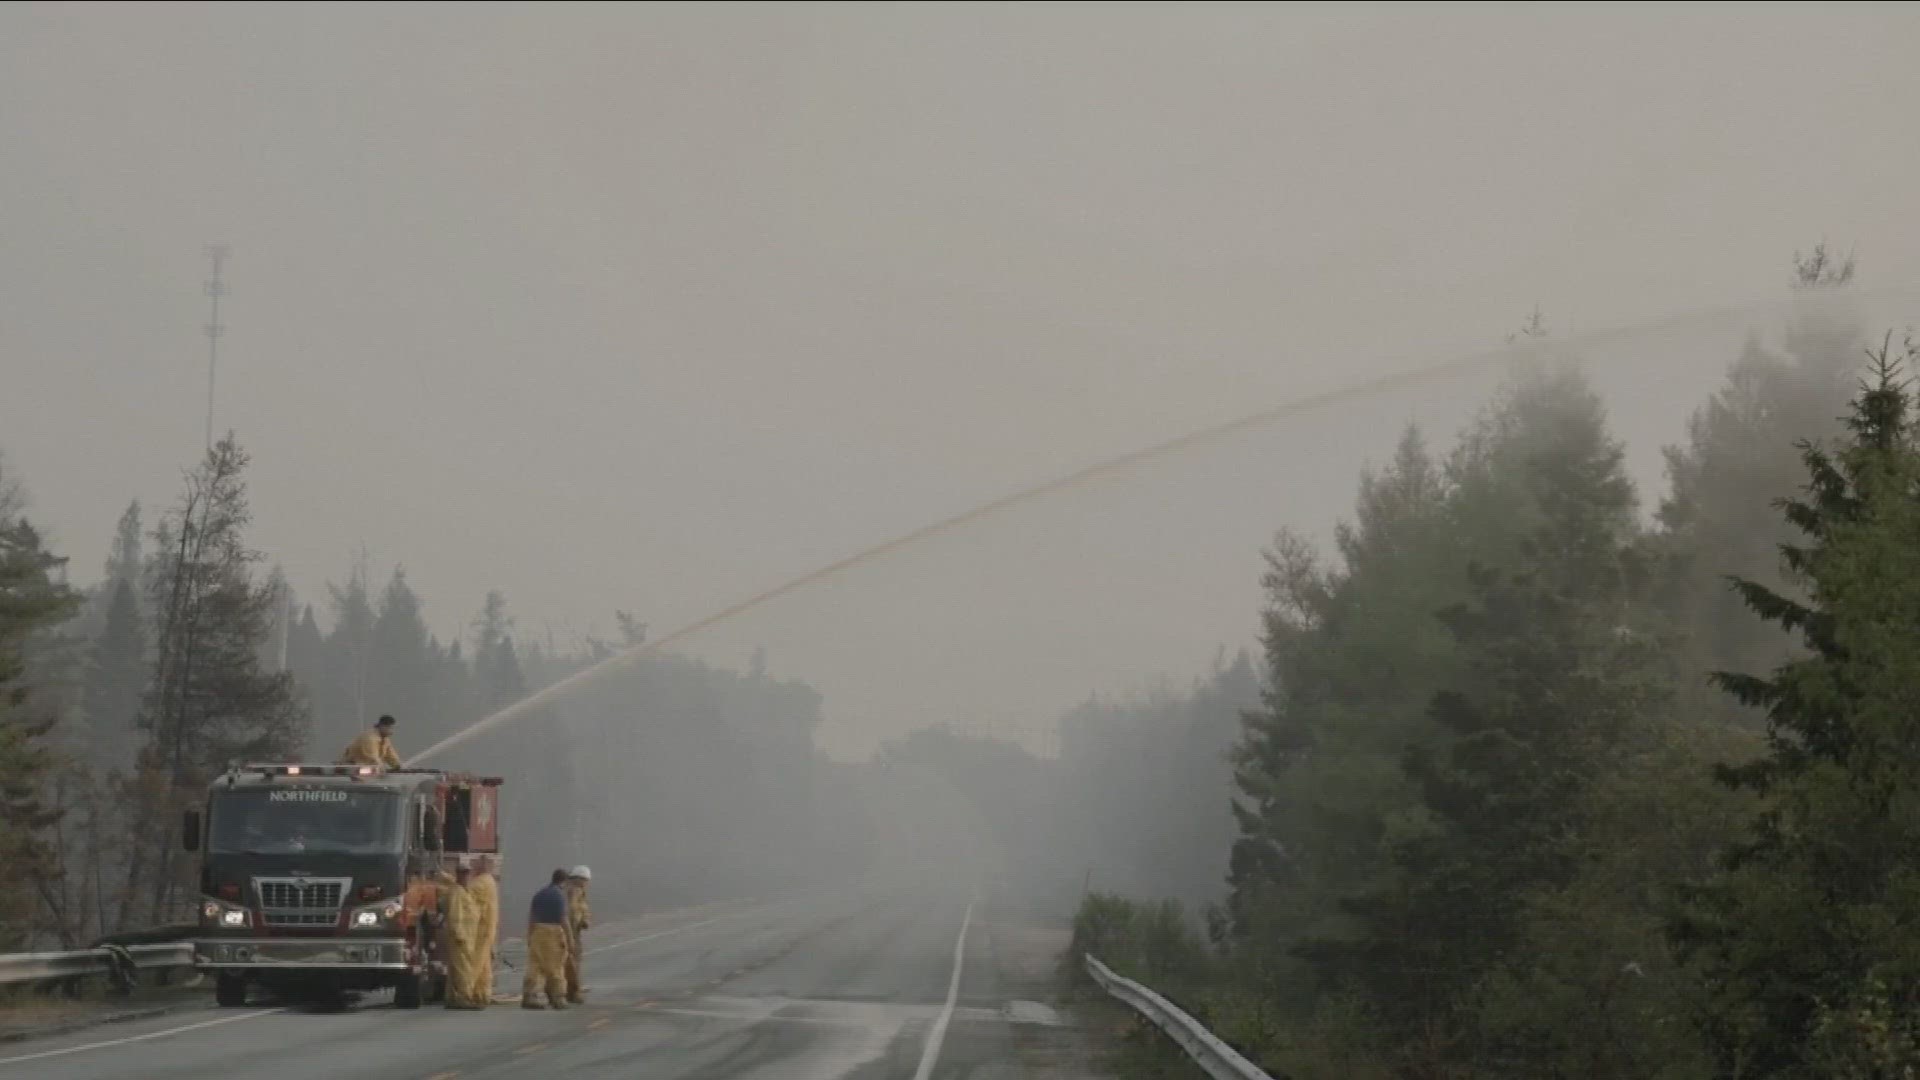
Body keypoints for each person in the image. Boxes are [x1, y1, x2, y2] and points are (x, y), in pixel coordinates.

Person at [439, 858, 488, 1009]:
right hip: (461, 937)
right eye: (463, 873)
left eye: (467, 873)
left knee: (456, 968)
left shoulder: (464, 891)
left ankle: (452, 997)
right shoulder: (456, 892)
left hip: (467, 936)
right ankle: (464, 998)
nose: (466, 876)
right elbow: (455, 915)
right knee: (464, 968)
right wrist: (459, 934)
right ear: (458, 874)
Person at [522, 869, 571, 1010]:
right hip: (553, 933)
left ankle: (530, 996)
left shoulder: (539, 895)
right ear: (564, 881)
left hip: (538, 932)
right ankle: (558, 998)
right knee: (555, 966)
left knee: (535, 966)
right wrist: (570, 938)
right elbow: (563, 919)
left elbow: (532, 917)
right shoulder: (559, 896)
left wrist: (529, 936)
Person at [469, 855, 500, 1004]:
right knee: (484, 964)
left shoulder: (480, 883)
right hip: (488, 929)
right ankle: (481, 993)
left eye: (474, 864)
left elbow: (465, 898)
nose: (471, 867)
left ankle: (467, 991)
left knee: (475, 962)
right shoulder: (489, 881)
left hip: (480, 929)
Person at [562, 865, 592, 1004]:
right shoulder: (574, 891)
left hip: (571, 929)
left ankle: (569, 990)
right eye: (585, 880)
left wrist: (585, 919)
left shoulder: (573, 889)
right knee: (572, 960)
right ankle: (573, 992)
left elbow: (582, 909)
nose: (587, 883)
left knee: (569, 960)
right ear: (580, 879)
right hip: (571, 930)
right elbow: (573, 911)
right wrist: (573, 930)